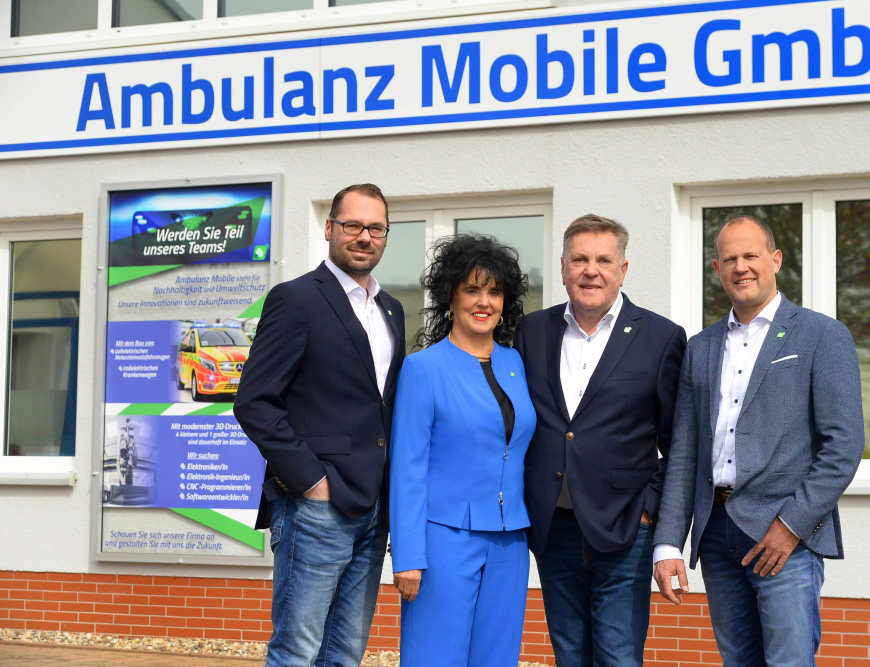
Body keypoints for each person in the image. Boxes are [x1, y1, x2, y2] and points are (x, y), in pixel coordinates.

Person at [653, 215, 865, 667]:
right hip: (716, 534)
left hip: (784, 535)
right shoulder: (701, 347)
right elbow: (685, 453)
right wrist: (668, 542)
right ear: (717, 269)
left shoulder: (822, 335)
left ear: (776, 259)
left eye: (750, 255)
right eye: (729, 259)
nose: (741, 267)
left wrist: (791, 526)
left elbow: (843, 446)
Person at [233, 183, 406, 667]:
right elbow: (254, 402)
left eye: (376, 228)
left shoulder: (390, 309)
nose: (364, 237)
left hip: (373, 508)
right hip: (317, 509)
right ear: (329, 228)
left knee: (345, 654)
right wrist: (310, 481)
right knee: (297, 651)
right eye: (353, 225)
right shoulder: (296, 299)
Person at [513, 214, 686, 667]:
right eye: (579, 260)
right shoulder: (533, 331)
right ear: (563, 267)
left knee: (618, 657)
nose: (591, 271)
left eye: (604, 260)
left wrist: (649, 509)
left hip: (625, 527)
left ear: (622, 270)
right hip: (554, 528)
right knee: (569, 655)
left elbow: (679, 442)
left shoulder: (661, 338)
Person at [389, 234, 537, 667]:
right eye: (472, 290)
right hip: (444, 542)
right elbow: (407, 468)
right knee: (434, 657)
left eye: (494, 291)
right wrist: (408, 556)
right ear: (450, 299)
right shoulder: (423, 368)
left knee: (497, 659)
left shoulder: (515, 363)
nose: (484, 301)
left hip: (510, 541)